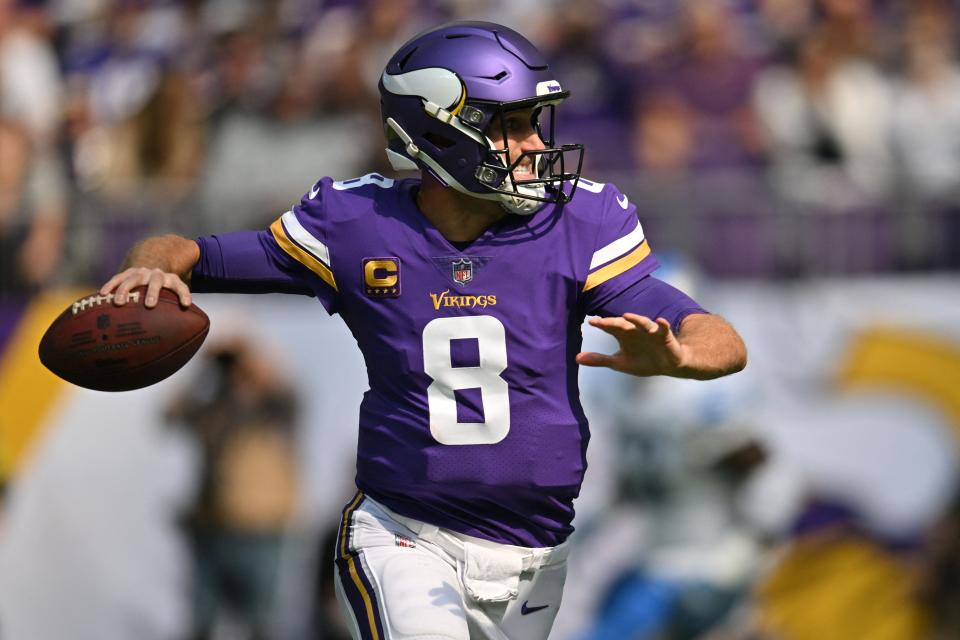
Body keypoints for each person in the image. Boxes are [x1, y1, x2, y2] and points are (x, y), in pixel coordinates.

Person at [100, 21, 746, 640]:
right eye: (511, 127)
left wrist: (687, 356)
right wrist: (151, 269)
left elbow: (713, 333)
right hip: (407, 533)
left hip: (536, 550)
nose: (537, 147)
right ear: (439, 132)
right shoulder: (354, 224)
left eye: (533, 125)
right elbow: (187, 251)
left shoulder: (581, 220)